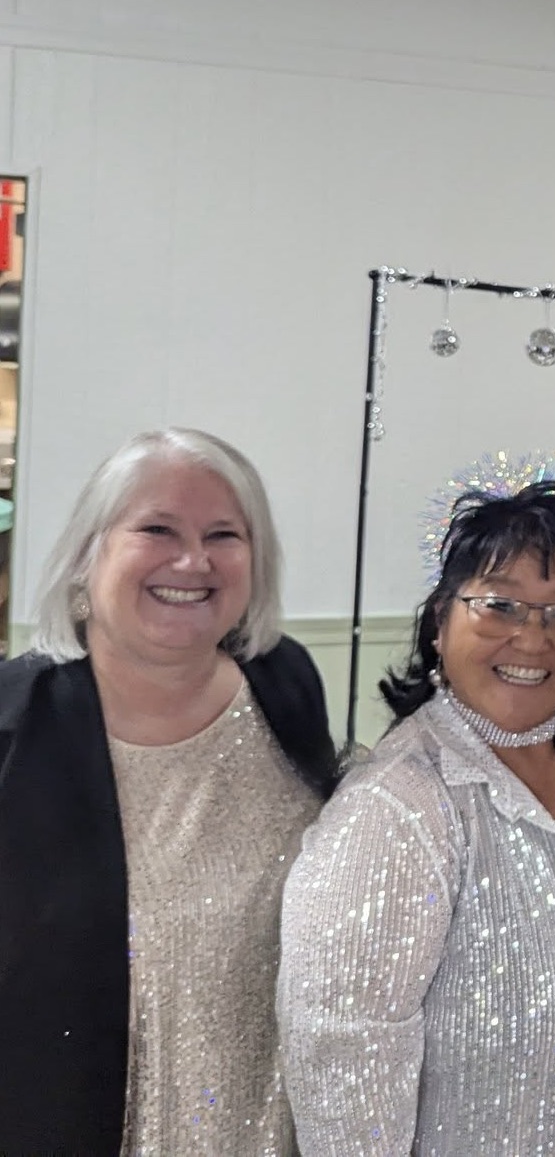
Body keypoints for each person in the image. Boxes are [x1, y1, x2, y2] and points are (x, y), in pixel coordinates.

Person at [278, 480, 555, 1155]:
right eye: (499, 604)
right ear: (439, 619)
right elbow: (343, 1074)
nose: (532, 638)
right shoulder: (393, 810)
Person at [0, 428, 339, 1154]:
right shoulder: (15, 721)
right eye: (157, 529)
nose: (193, 561)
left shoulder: (285, 683)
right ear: (89, 553)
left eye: (224, 535)